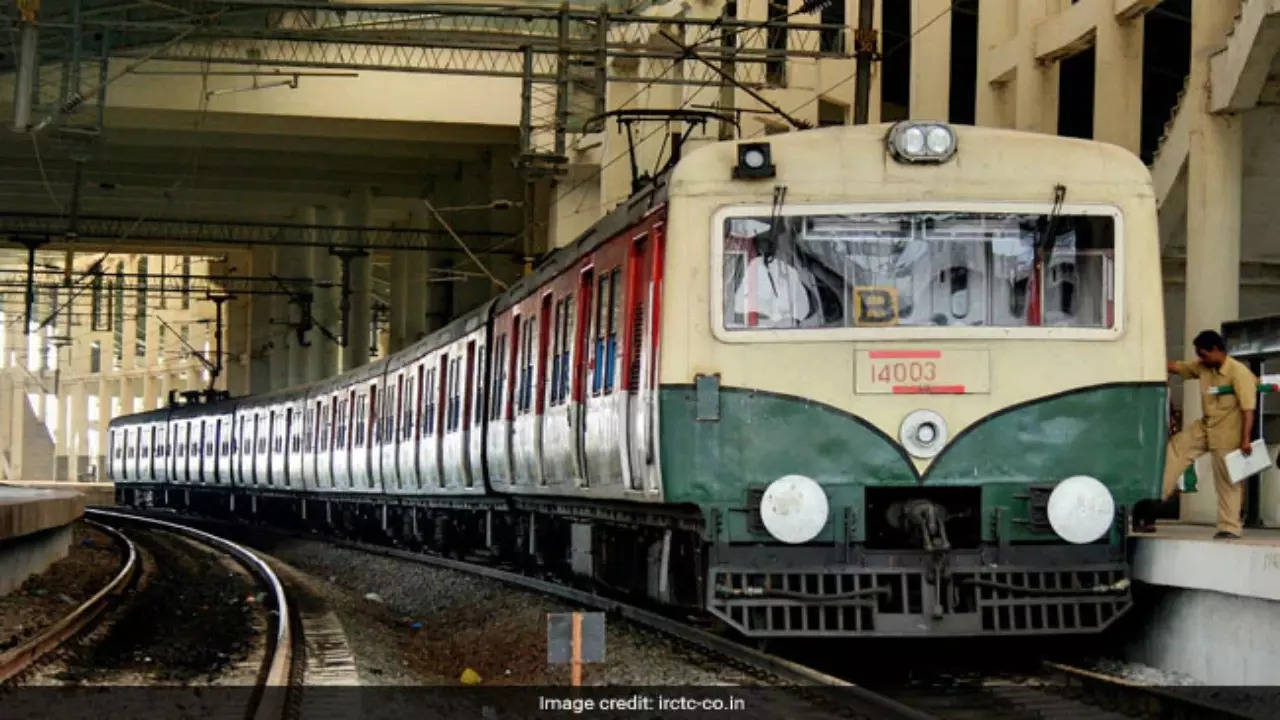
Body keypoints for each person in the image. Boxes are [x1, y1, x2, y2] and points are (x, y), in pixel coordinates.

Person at [1139, 330, 1258, 539]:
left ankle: (1229, 527)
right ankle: (1154, 500)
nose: (1200, 359)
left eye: (1203, 354)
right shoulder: (1204, 367)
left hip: (1229, 433)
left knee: (1228, 480)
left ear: (1216, 350)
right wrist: (1149, 359)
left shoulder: (1239, 373)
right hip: (1205, 427)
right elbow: (1178, 367)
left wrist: (1245, 440)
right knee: (1175, 449)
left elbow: (1249, 409)